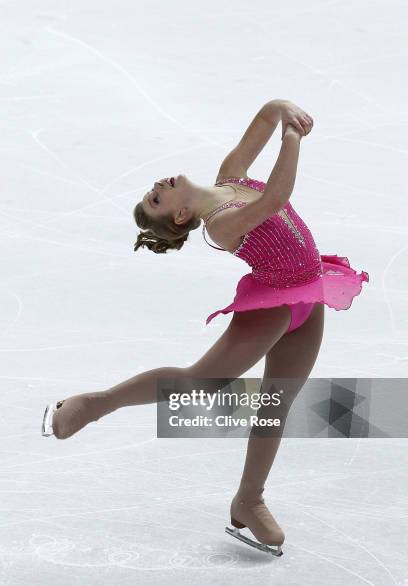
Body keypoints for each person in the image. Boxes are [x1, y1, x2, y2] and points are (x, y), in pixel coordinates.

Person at [41, 99, 369, 556]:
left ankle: (249, 499)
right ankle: (94, 405)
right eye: (156, 199)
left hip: (311, 298)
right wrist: (292, 137)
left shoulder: (231, 176)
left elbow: (260, 122)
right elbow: (276, 198)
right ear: (179, 217)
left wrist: (279, 109)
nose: (157, 186)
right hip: (271, 307)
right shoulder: (220, 226)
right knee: (200, 381)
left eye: (152, 189)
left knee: (277, 402)